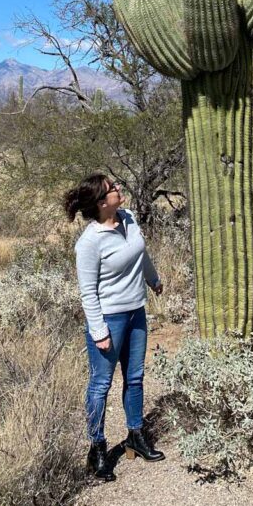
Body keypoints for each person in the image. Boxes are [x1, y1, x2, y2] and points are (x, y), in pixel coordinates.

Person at [64, 172, 165, 481]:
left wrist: (152, 278)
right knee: (100, 384)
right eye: (112, 189)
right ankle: (97, 448)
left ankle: (135, 435)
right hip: (110, 319)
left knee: (135, 377)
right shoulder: (89, 242)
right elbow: (87, 292)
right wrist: (99, 331)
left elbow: (140, 252)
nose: (118, 190)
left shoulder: (129, 217)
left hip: (137, 312)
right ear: (100, 202)